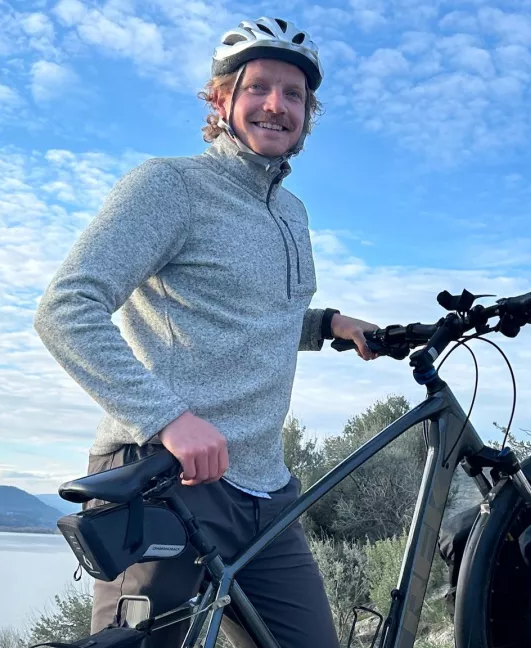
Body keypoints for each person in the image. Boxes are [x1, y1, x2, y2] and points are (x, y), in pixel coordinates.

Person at [33, 16, 376, 647]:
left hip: (265, 490)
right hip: (162, 478)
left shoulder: (291, 212)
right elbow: (65, 308)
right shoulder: (170, 186)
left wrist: (327, 324)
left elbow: (247, 316)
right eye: (259, 88)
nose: (277, 105)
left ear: (309, 113)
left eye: (294, 94)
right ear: (221, 99)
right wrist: (166, 418)